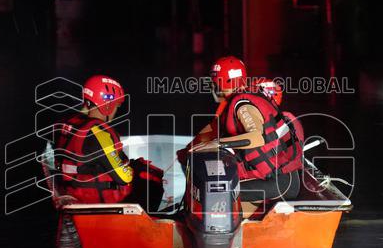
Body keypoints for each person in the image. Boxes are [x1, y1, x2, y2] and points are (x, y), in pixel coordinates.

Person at [185, 56, 302, 211]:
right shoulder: (242, 100)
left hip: (279, 182)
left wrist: (219, 144)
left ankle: (216, 230)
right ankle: (242, 227)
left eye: (215, 83)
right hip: (276, 177)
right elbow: (212, 130)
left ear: (224, 82)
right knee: (229, 195)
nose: (213, 88)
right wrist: (187, 150)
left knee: (215, 192)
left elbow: (257, 137)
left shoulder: (242, 106)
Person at [54, 75, 164, 211]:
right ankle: (142, 226)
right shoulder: (99, 133)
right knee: (151, 177)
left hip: (70, 190)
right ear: (107, 105)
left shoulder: (68, 123)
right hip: (91, 198)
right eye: (116, 107)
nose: (116, 112)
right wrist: (134, 167)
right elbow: (124, 177)